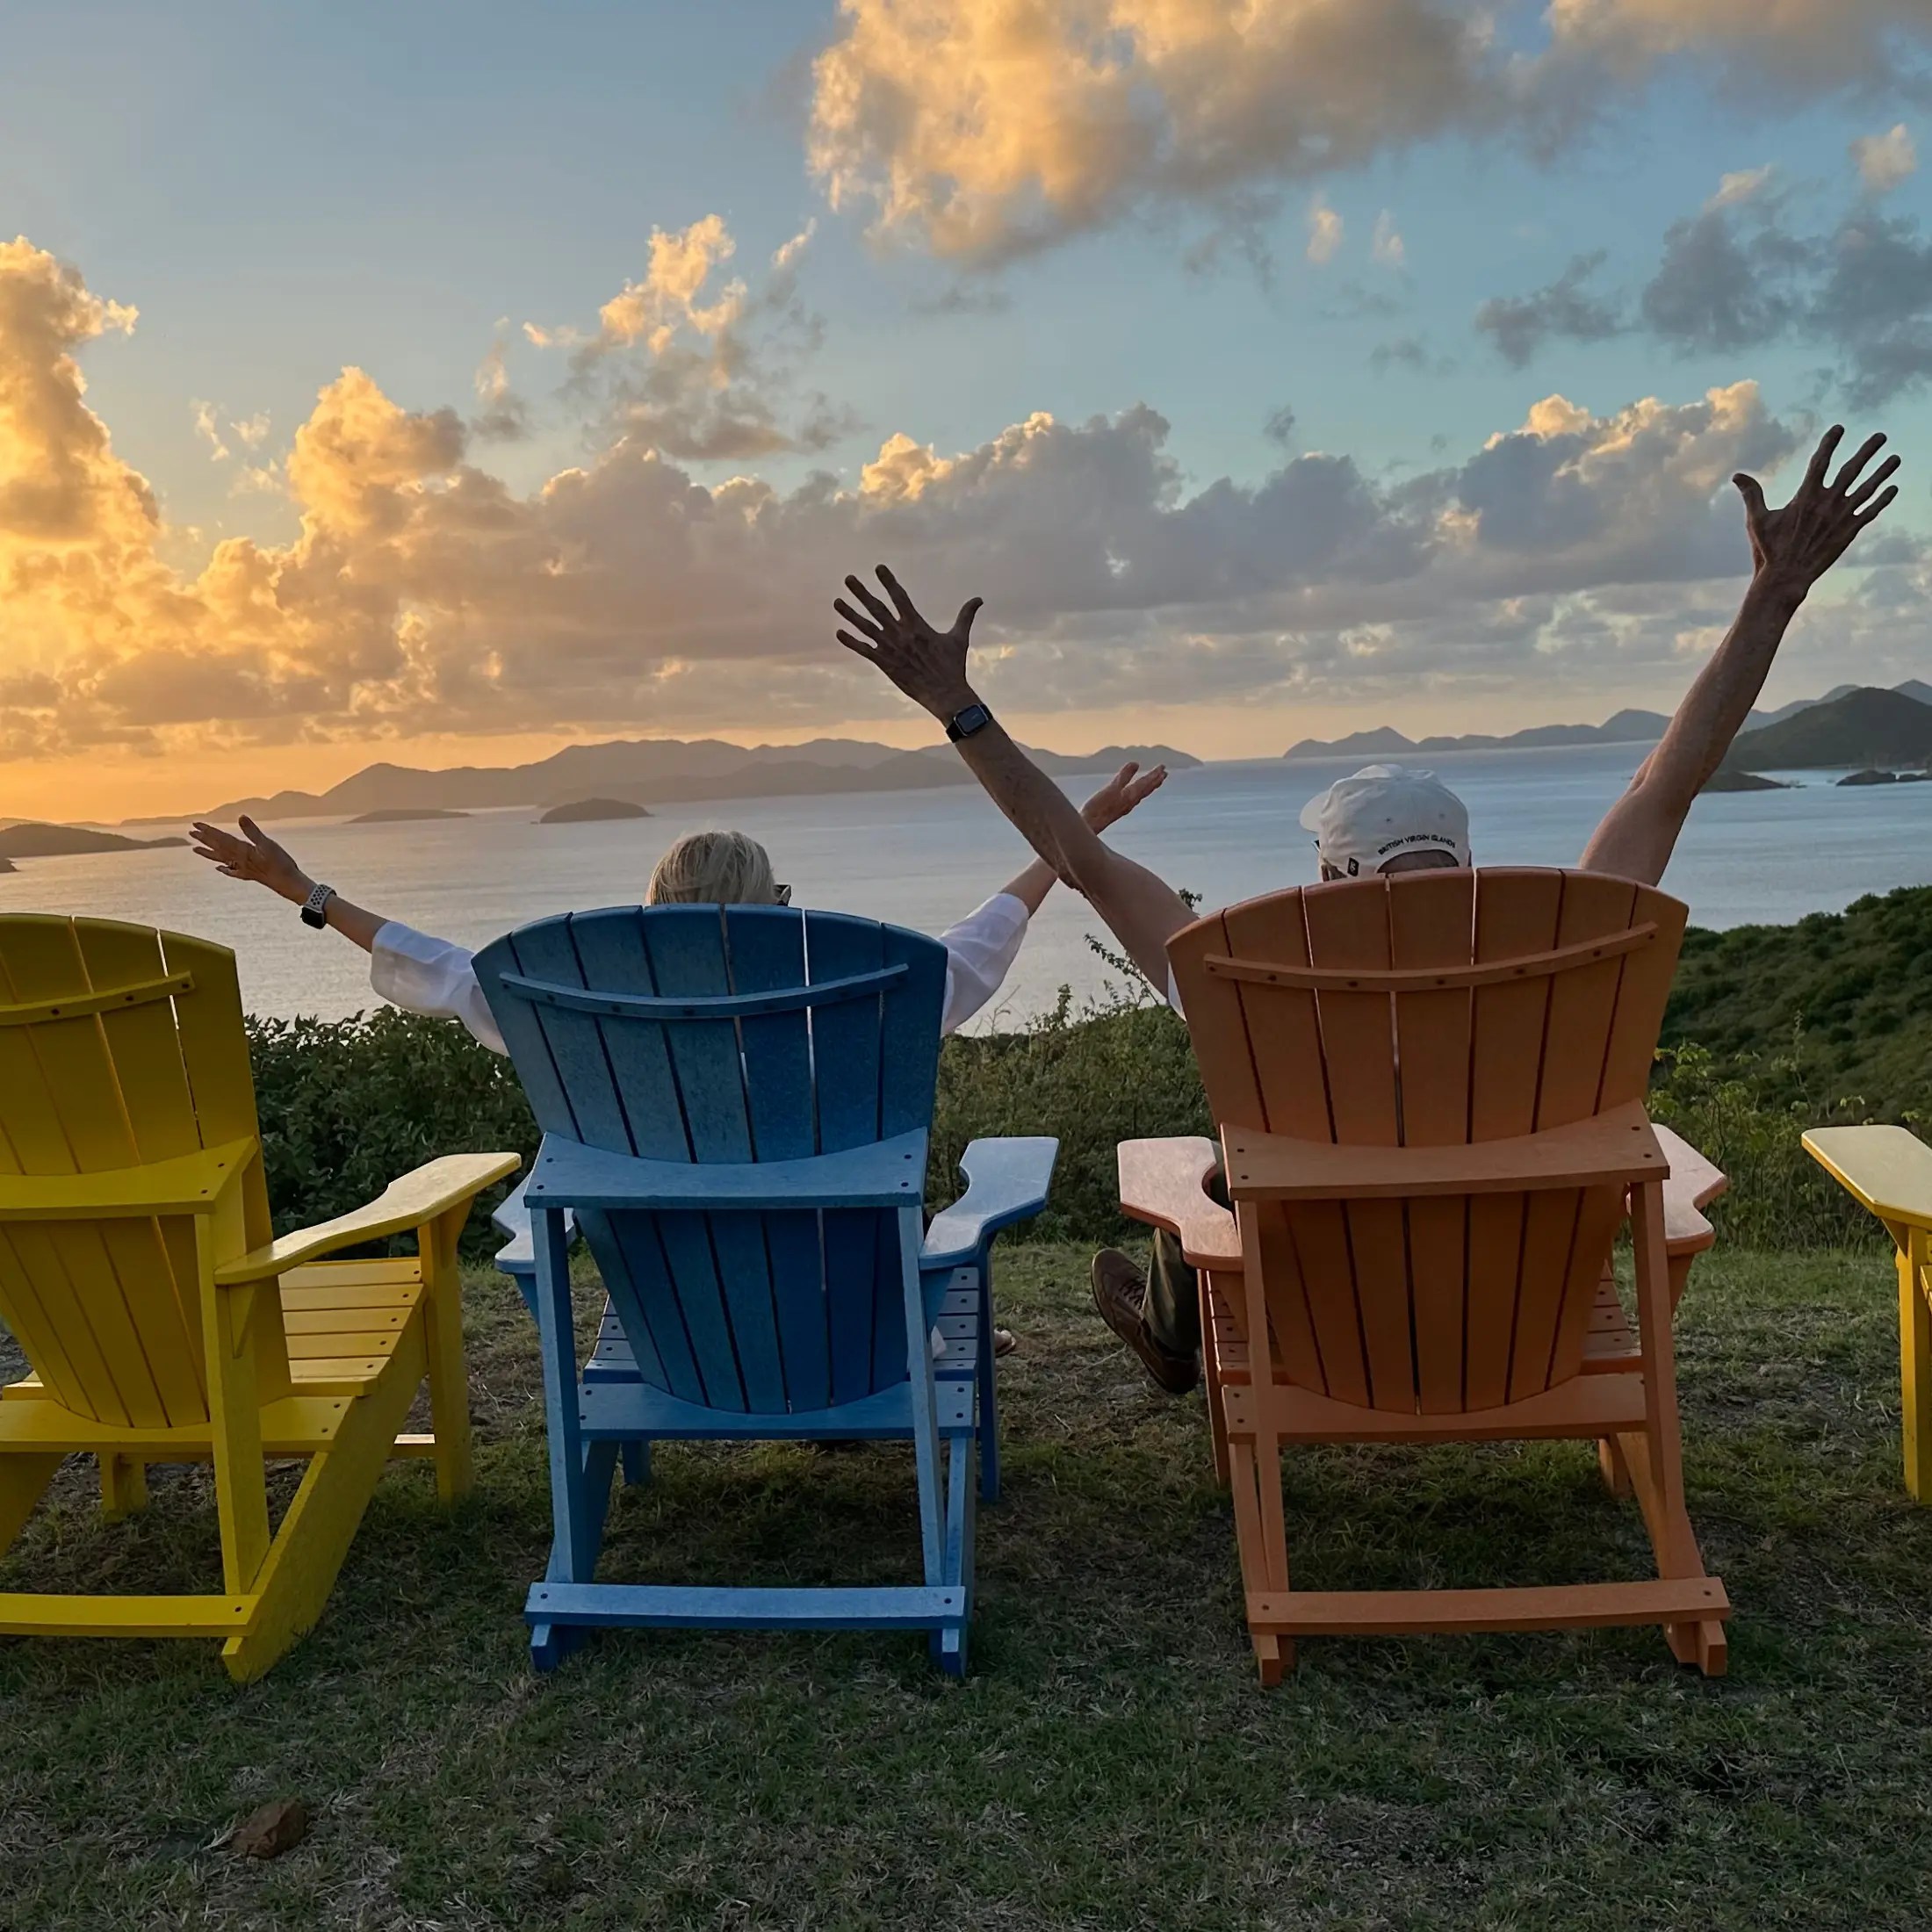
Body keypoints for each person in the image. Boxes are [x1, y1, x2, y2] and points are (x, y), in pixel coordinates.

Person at [832, 422, 1902, 1392]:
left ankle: (1173, 1329)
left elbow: (1073, 856)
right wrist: (1771, 596)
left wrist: (959, 709)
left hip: (1330, 1330)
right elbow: (1662, 784)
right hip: (1514, 1324)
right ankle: (1173, 1316)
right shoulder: (1564, 956)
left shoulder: (1248, 978)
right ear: (1468, 866)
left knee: (1213, 1163)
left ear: (1333, 882)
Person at [191, 768, 1165, 1355]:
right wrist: (1073, 841)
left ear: (653, 915)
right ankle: (929, 1340)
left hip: (681, 1335)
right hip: (861, 1335)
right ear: (775, 911)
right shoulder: (862, 1004)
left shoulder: (582, 1018)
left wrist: (301, 891)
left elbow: (440, 968)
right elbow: (976, 944)